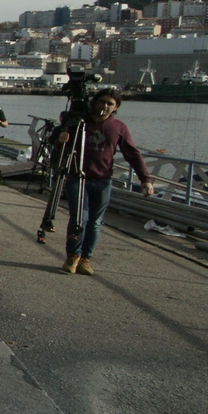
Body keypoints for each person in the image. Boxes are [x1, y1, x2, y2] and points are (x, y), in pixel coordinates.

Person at [55, 87, 154, 275]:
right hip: (78, 178)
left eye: (110, 104)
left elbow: (132, 154)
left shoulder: (119, 127)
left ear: (115, 108)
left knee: (95, 222)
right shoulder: (79, 122)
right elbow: (59, 148)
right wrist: (60, 140)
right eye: (102, 102)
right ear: (94, 102)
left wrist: (145, 179)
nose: (105, 106)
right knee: (80, 218)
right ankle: (73, 256)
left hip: (103, 181)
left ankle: (85, 259)